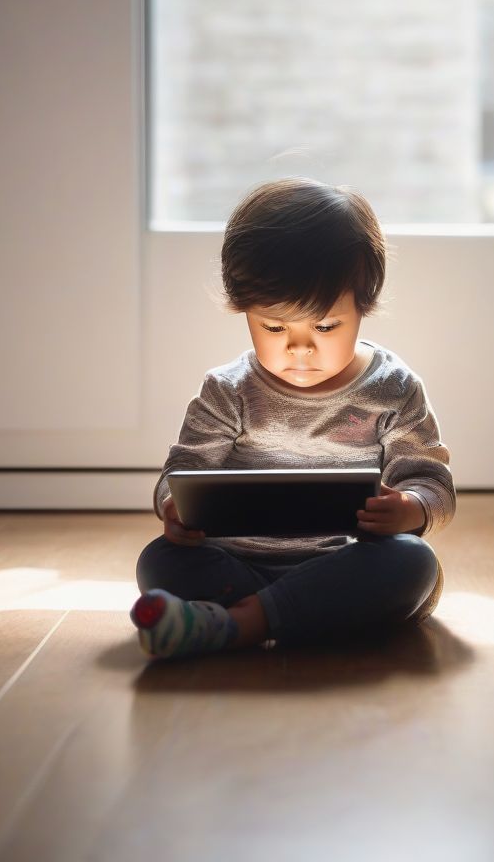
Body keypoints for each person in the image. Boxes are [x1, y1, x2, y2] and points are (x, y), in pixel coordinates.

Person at [130, 178, 455, 659]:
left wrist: (409, 508)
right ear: (244, 312)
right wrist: (173, 509)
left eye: (324, 326)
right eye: (274, 326)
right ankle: (292, 616)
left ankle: (236, 624)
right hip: (238, 564)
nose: (299, 346)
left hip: (345, 563)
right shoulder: (227, 390)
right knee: (159, 561)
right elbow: (179, 476)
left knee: (413, 563)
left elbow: (433, 485)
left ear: (363, 305)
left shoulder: (393, 387)